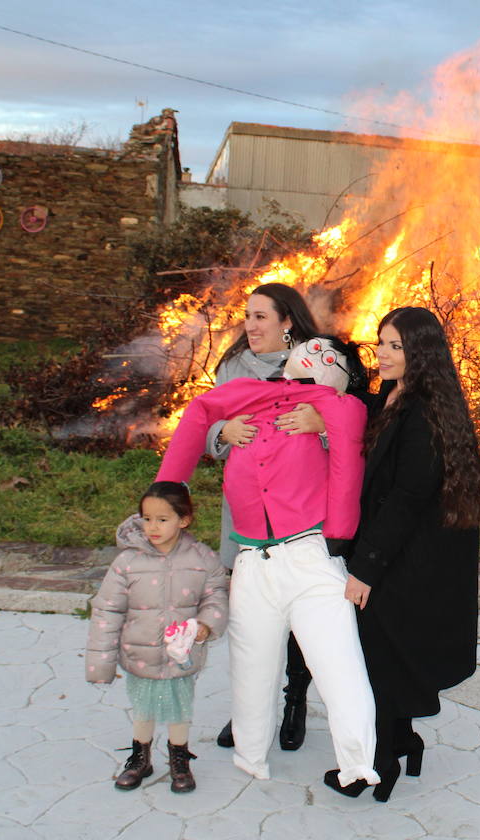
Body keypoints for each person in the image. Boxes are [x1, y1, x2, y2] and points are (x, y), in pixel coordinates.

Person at [157, 336, 379, 789]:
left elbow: (353, 434)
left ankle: (357, 763)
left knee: (339, 665)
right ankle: (251, 754)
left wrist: (322, 418)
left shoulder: (342, 406)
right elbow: (201, 411)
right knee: (251, 663)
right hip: (252, 559)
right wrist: (168, 490)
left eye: (327, 356)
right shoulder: (251, 393)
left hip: (311, 555)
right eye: (308, 350)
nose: (313, 357)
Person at [328, 306, 480, 803]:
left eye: (395, 346)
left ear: (421, 353)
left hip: (407, 559)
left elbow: (406, 497)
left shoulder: (422, 410)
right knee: (385, 656)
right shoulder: (394, 395)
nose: (382, 354)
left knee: (376, 658)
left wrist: (365, 568)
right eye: (381, 343)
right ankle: (403, 742)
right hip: (401, 552)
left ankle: (376, 766)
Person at [208, 283, 322, 753]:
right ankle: (249, 712)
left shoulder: (321, 363)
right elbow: (203, 422)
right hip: (249, 514)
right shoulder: (231, 368)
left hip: (300, 514)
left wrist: (321, 425)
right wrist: (223, 430)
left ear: (287, 321)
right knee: (250, 620)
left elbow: (351, 427)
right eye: (248, 316)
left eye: (261, 317)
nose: (251, 326)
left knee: (299, 616)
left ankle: (295, 699)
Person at [86, 481, 229, 793]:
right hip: (141, 653)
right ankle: (140, 758)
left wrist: (205, 625)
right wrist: (101, 663)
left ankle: (180, 759)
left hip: (182, 654)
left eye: (162, 520)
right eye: (146, 518)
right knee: (144, 708)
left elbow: (216, 595)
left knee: (179, 708)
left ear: (184, 519)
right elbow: (107, 610)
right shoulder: (127, 562)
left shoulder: (202, 558)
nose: (152, 527)